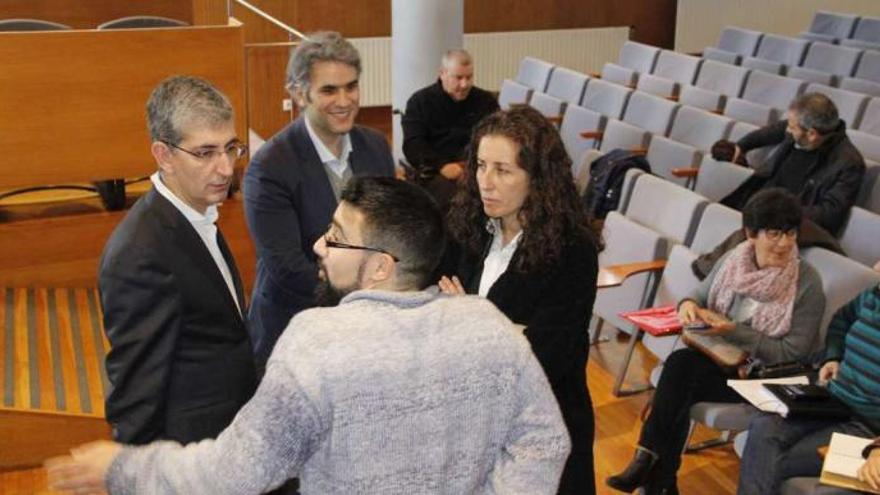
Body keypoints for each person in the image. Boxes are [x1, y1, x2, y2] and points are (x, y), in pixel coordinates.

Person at [46, 177, 571, 495]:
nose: (320, 245)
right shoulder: (490, 327)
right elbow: (546, 441)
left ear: (381, 267)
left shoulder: (317, 343)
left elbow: (235, 472)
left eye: (338, 237)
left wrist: (125, 469)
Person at [607, 188, 826, 495]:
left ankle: (652, 467)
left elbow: (791, 352)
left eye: (790, 233)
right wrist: (687, 305)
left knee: (678, 382)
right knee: (680, 367)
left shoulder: (806, 282)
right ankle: (657, 474)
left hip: (766, 377)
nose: (785, 243)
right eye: (774, 233)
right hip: (725, 360)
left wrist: (732, 329)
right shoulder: (736, 259)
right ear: (751, 233)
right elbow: (697, 295)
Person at [439, 106, 600, 494]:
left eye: (503, 170)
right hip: (473, 423)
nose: (485, 182)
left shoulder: (573, 249)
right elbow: (433, 310)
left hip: (543, 429)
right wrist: (506, 330)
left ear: (538, 179)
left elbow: (544, 357)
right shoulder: (469, 228)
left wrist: (471, 318)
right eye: (480, 165)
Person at [98, 76, 257, 445]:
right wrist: (132, 472)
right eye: (205, 153)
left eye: (230, 148)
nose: (225, 168)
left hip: (227, 438)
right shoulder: (140, 254)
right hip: (187, 454)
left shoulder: (197, 214)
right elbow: (137, 386)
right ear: (164, 155)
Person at [244, 31, 395, 372]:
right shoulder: (269, 168)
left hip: (364, 332)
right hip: (295, 334)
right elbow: (288, 269)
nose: (344, 100)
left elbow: (386, 232)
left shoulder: (375, 146)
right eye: (329, 90)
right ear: (299, 94)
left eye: (351, 86)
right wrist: (364, 294)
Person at [737, 283, 880, 494]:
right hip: (831, 401)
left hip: (865, 425)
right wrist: (833, 356)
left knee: (772, 463)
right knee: (764, 426)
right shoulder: (873, 294)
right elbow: (841, 320)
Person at [721, 92, 865, 237]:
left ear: (811, 134)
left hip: (782, 228)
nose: (787, 130)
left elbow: (829, 213)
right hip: (754, 207)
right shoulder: (802, 127)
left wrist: (779, 212)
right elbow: (772, 131)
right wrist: (740, 146)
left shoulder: (849, 163)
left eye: (791, 128)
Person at [402, 49, 499, 207]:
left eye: (469, 77)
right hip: (437, 170)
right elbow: (413, 145)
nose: (465, 84)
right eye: (458, 78)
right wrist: (442, 165)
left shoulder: (485, 101)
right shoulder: (420, 102)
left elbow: (497, 137)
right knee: (453, 201)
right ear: (442, 73)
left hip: (478, 167)